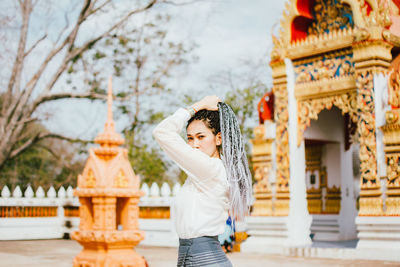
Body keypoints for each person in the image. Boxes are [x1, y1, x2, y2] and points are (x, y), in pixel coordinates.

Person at [153, 95, 252, 267]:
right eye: (190, 138)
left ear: (218, 139)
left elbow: (162, 132)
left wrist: (199, 105)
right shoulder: (202, 174)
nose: (194, 144)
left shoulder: (211, 169)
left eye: (201, 137)